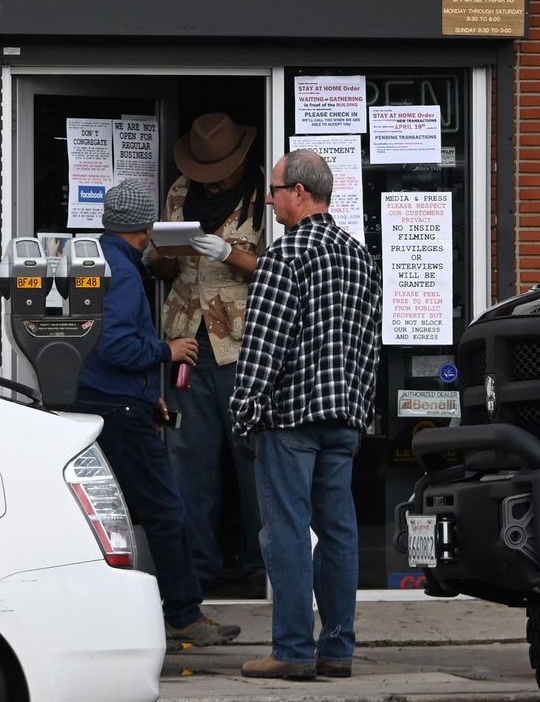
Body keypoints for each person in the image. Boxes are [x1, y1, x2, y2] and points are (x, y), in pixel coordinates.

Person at [66, 178, 240, 647]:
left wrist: (149, 393)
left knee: (109, 513)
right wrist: (167, 350)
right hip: (120, 408)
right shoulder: (123, 273)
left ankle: (108, 610)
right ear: (145, 228)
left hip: (106, 399)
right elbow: (117, 344)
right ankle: (183, 613)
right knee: (165, 509)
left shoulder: (95, 258)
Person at [229, 149, 382, 681]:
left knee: (287, 532)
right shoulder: (360, 256)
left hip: (290, 419)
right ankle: (337, 649)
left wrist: (243, 412)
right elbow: (369, 348)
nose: (268, 200)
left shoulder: (284, 256)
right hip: (343, 418)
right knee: (339, 533)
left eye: (273, 190)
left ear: (298, 192)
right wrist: (360, 411)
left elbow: (263, 349)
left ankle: (292, 650)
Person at [154, 112, 266, 596]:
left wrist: (228, 253)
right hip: (187, 342)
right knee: (188, 461)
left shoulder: (265, 196)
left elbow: (279, 272)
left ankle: (266, 570)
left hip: (243, 345)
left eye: (219, 168)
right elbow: (161, 269)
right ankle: (195, 573)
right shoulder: (181, 190)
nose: (211, 180)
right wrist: (162, 252)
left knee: (255, 461)